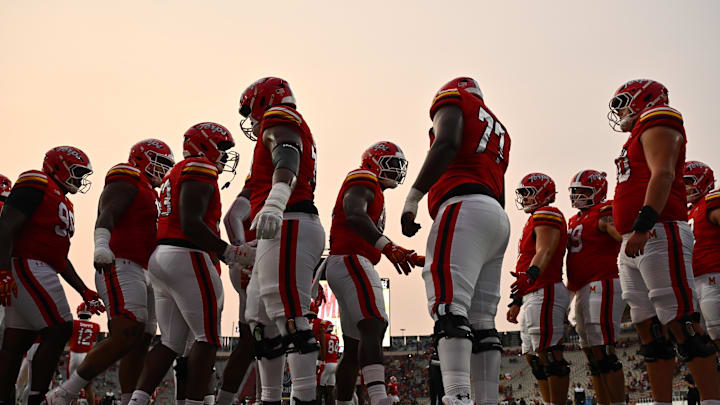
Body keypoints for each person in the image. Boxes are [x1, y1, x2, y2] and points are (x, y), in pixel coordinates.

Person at [608, 79, 719, 403]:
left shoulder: (658, 118)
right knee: (649, 331)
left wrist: (644, 224)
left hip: (658, 231)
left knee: (681, 322)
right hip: (635, 238)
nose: (622, 111)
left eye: (625, 103)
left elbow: (664, 174)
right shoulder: (634, 136)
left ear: (646, 99)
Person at [127, 122, 255, 405]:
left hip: (163, 258)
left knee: (171, 342)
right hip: (187, 254)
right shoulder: (200, 168)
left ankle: (137, 400)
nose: (224, 155)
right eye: (222, 147)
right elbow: (191, 223)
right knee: (207, 338)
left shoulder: (177, 171)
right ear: (204, 145)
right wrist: (230, 252)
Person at [401, 77, 511, 405]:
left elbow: (446, 142)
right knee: (482, 321)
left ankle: (458, 397)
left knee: (449, 307)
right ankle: (487, 400)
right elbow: (499, 186)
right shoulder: (501, 131)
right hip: (495, 215)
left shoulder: (456, 102)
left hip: (463, 204)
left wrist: (413, 197)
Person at [48, 139, 175, 405]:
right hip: (121, 262)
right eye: (159, 162)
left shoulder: (153, 193)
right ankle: (64, 393)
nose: (163, 169)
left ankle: (131, 399)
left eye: (167, 165)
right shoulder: (127, 177)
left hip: (146, 269)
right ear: (141, 158)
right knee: (128, 329)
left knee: (142, 338)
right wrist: (102, 245)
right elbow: (108, 211)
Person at [239, 77, 325, 405]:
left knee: (290, 317)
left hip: (289, 220)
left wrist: (276, 199)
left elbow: (287, 154)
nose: (251, 119)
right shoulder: (282, 122)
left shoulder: (280, 119)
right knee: (260, 322)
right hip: (280, 227)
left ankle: (303, 398)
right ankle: (270, 399)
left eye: (251, 110)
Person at [0, 146, 103, 405]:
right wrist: (3, 270)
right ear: (58, 166)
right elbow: (6, 227)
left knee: (17, 341)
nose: (80, 178)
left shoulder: (63, 200)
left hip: (41, 265)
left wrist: (83, 290)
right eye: (77, 171)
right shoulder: (36, 182)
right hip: (27, 264)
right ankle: (37, 398)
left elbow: (59, 254)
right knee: (59, 327)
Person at [327, 141, 419, 405]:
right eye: (391, 164)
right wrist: (388, 247)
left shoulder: (374, 189)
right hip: (351, 259)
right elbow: (354, 215)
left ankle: (343, 401)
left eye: (399, 166)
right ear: (372, 162)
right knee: (375, 321)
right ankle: (379, 398)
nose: (396, 171)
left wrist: (402, 252)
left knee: (354, 345)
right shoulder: (363, 177)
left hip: (346, 261)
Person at [507, 173, 570, 405]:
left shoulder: (547, 213)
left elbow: (545, 250)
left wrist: (531, 276)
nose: (524, 198)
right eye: (522, 193)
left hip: (545, 288)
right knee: (534, 356)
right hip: (533, 291)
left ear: (544, 192)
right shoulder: (534, 218)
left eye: (528, 192)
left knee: (550, 353)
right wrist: (517, 300)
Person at [566, 170, 625, 405]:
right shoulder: (574, 220)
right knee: (591, 353)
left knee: (605, 351)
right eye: (576, 191)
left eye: (584, 191)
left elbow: (619, 234)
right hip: (581, 287)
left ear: (598, 192)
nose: (578, 196)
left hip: (603, 281)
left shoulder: (604, 211)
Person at [216, 179, 257, 405]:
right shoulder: (263, 184)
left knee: (249, 343)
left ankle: (224, 400)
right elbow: (232, 217)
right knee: (276, 337)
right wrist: (242, 251)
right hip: (255, 265)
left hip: (256, 265)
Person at [683, 161, 720, 347]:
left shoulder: (711, 201)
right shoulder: (687, 212)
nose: (685, 187)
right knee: (702, 337)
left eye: (688, 181)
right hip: (694, 279)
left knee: (716, 328)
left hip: (714, 273)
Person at [67, 303, 101, 405]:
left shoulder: (74, 323)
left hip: (74, 355)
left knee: (72, 387)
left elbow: (70, 340)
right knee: (88, 387)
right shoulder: (96, 326)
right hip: (87, 356)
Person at [319, 323, 339, 405]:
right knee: (330, 389)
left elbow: (322, 349)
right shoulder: (336, 338)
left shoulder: (325, 337)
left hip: (326, 363)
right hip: (334, 363)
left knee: (319, 388)